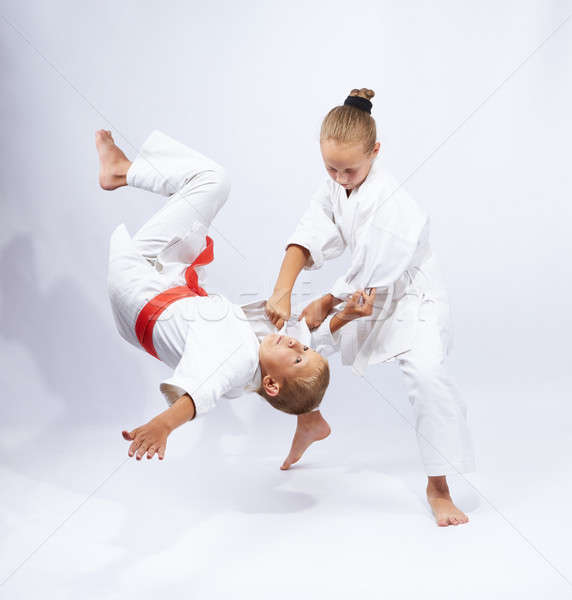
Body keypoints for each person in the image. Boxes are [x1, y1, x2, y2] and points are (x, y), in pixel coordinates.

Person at [265, 89, 476, 527]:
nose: (340, 178)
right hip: (362, 293)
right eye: (331, 168)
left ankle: (438, 486)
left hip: (412, 296)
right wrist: (283, 289)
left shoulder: (390, 201)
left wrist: (327, 302)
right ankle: (309, 419)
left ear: (375, 152)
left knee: (425, 376)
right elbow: (308, 234)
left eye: (350, 169)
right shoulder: (334, 185)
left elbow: (375, 268)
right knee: (281, 349)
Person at [97, 129, 373, 462]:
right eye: (302, 349)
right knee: (297, 352)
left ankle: (123, 171)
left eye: (298, 356)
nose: (296, 344)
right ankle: (310, 421)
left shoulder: (236, 359)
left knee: (213, 180)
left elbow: (197, 396)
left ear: (270, 385)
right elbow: (307, 341)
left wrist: (163, 426)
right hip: (162, 296)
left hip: (139, 286)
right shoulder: (261, 361)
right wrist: (345, 314)